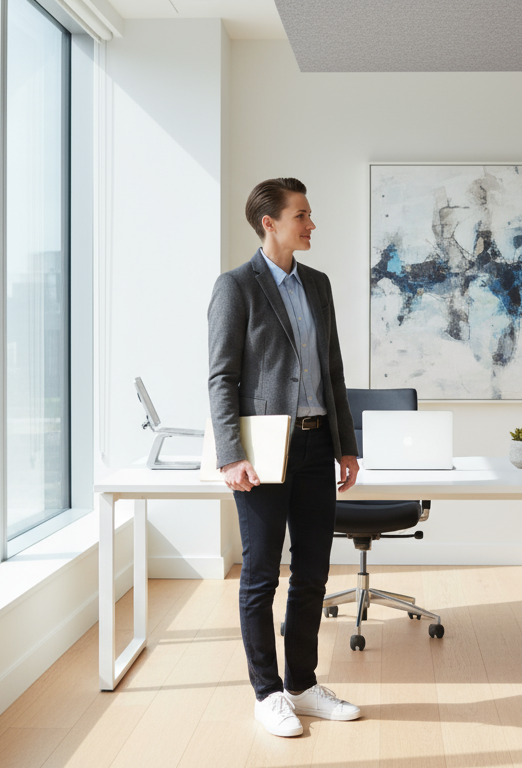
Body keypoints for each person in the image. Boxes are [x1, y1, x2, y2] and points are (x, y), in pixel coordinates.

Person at [207, 177, 363, 737]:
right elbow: (222, 378)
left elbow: (335, 372)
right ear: (269, 223)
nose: (311, 223)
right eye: (302, 214)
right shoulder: (236, 287)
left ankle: (301, 682)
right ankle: (267, 692)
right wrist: (231, 456)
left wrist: (346, 444)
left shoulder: (318, 285)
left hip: (320, 445)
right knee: (260, 576)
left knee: (314, 572)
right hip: (264, 449)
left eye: (310, 213)